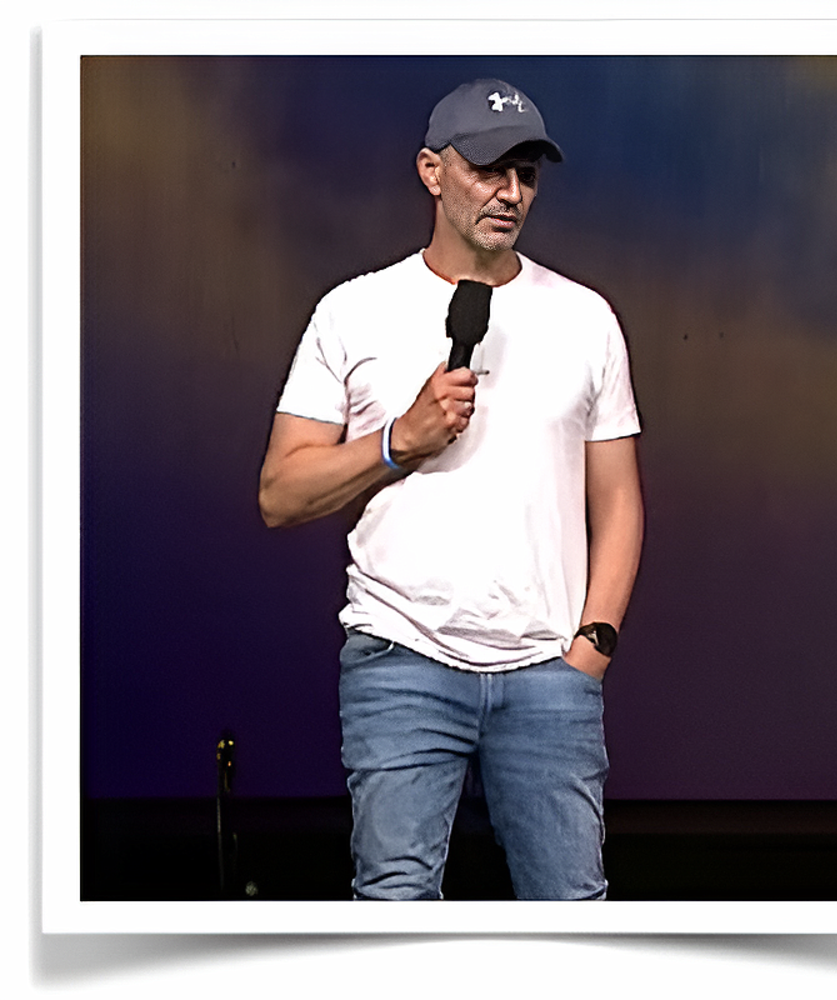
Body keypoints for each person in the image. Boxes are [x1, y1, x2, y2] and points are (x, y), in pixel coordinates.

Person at [259, 78, 644, 900]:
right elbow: (280, 493)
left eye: (526, 175)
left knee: (572, 914)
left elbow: (618, 501)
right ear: (432, 171)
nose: (511, 193)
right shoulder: (353, 312)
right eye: (488, 169)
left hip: (548, 672)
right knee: (395, 909)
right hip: (401, 660)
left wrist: (590, 651)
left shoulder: (586, 319)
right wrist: (397, 443)